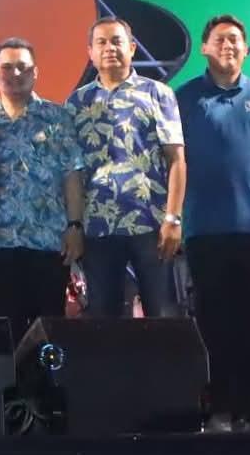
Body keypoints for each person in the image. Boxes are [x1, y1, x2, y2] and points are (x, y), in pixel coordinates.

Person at [175, 14, 250, 432]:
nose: (228, 45)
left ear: (246, 48)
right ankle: (220, 409)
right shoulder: (185, 97)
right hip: (205, 228)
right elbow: (174, 159)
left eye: (235, 39)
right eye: (220, 39)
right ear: (204, 48)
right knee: (214, 324)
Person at [68, 17, 186, 318]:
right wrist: (75, 226)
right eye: (101, 42)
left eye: (116, 41)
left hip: (152, 224)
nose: (109, 48)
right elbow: (73, 173)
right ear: (90, 53)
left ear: (132, 48)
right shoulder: (77, 102)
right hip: (98, 227)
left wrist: (173, 218)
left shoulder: (158, 93)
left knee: (163, 317)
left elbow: (176, 159)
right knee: (103, 322)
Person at [0, 38, 85, 343]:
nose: (15, 74)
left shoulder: (57, 118)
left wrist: (75, 226)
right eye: (7, 67)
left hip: (49, 243)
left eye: (22, 67)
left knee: (49, 332)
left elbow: (72, 174)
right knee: (7, 333)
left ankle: (47, 377)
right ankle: (14, 377)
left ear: (35, 72)